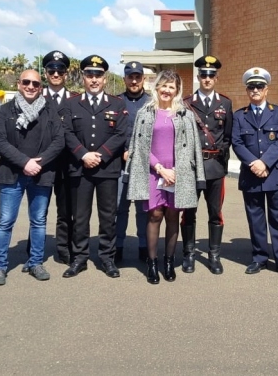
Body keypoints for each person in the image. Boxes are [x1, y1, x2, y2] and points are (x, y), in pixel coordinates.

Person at [125, 70, 205, 284]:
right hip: (154, 171)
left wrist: (177, 171)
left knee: (172, 216)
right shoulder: (145, 113)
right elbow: (141, 147)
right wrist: (161, 169)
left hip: (178, 173)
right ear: (157, 87)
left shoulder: (185, 114)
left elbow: (191, 147)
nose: (167, 90)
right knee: (155, 215)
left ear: (177, 90)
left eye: (172, 87)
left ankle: (169, 261)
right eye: (164, 85)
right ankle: (152, 263)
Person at [0, 70, 64, 286]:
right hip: (12, 173)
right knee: (5, 222)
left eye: (35, 83)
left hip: (41, 173)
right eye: (26, 82)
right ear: (19, 84)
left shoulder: (50, 110)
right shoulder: (6, 110)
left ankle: (35, 262)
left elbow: (59, 140)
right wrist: (25, 162)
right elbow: (0, 141)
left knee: (39, 221)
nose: (31, 86)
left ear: (40, 87)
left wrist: (38, 163)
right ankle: (0, 266)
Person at [61, 55, 127, 278]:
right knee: (80, 216)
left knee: (108, 215)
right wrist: (82, 155)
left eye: (98, 75)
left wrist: (100, 155)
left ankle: (107, 258)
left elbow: (121, 133)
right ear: (83, 78)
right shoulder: (71, 103)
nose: (94, 79)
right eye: (89, 75)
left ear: (105, 78)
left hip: (107, 168)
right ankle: (79, 257)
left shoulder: (117, 104)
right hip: (80, 168)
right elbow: (67, 133)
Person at [232, 67, 278, 278]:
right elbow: (237, 142)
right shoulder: (240, 115)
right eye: (251, 86)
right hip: (251, 175)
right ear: (247, 90)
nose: (255, 90)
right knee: (256, 219)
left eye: (260, 86)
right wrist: (254, 164)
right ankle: (259, 258)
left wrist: (265, 163)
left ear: (267, 89)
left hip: (274, 174)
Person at [22, 50, 78, 269]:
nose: (56, 74)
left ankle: (64, 250)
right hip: (41, 164)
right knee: (38, 211)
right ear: (45, 73)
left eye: (60, 70)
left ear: (66, 73)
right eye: (52, 70)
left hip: (66, 163)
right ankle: (33, 251)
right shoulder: (35, 96)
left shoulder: (75, 99)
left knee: (66, 211)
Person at [182, 55, 233, 275]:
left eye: (211, 75)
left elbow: (228, 136)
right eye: (203, 74)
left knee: (215, 212)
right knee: (189, 212)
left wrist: (222, 161)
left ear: (216, 78)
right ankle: (189, 255)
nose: (207, 79)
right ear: (198, 77)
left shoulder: (225, 103)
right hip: (192, 167)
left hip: (215, 166)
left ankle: (214, 256)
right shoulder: (186, 103)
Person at [115, 61, 150, 264]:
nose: (134, 80)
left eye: (138, 77)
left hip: (145, 166)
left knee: (143, 208)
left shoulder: (152, 103)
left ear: (143, 79)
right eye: (131, 77)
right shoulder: (117, 102)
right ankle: (118, 246)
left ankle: (143, 246)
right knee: (121, 208)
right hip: (121, 164)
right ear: (125, 79)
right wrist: (122, 151)